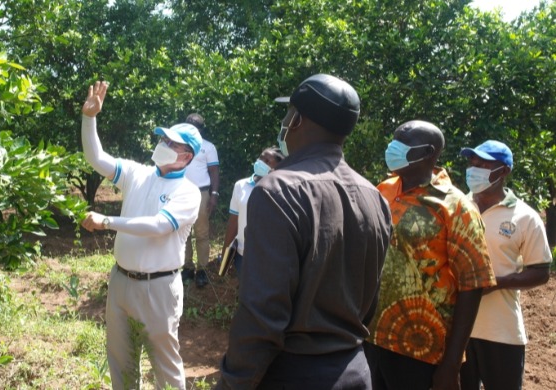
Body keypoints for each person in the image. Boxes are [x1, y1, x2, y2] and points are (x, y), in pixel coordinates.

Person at [217, 74, 392, 389]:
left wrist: (232, 383)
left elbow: (263, 315)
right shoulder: (375, 197)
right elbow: (370, 302)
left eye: (287, 113)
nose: (284, 122)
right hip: (353, 368)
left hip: (292, 374)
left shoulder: (278, 190)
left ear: (296, 120)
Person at [79, 81, 202, 390]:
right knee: (121, 363)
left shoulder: (187, 192)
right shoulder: (138, 173)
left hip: (158, 288)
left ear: (187, 157)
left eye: (172, 144)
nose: (163, 144)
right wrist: (89, 118)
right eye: (164, 139)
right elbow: (97, 158)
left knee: (165, 368)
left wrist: (107, 220)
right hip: (121, 281)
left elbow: (159, 226)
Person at [364, 120, 497, 390]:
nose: (392, 148)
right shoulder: (384, 190)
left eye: (402, 143)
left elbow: (473, 285)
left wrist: (450, 365)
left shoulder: (456, 207)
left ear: (428, 153)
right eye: (394, 140)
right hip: (373, 338)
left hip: (422, 350)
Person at [458, 140, 552, 390]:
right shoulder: (457, 207)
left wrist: (497, 283)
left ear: (504, 171)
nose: (474, 167)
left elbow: (541, 272)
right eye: (472, 161)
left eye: (483, 163)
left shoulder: (525, 217)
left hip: (501, 331)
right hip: (457, 329)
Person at [220, 146, 285, 275]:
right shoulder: (241, 186)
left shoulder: (282, 190)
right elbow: (233, 222)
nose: (261, 162)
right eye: (261, 157)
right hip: (242, 253)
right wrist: (225, 252)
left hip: (269, 256)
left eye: (267, 161)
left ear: (276, 168)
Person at [182, 113, 220, 288]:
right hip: (180, 194)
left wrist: (214, 195)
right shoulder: (180, 145)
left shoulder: (208, 147)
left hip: (201, 193)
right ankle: (187, 267)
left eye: (195, 127)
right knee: (183, 233)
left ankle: (202, 270)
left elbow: (214, 172)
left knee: (201, 233)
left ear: (201, 129)